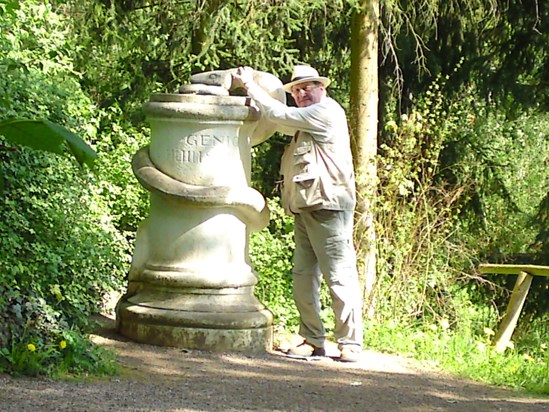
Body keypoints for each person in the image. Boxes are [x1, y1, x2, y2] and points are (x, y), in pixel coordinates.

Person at [232, 65, 363, 362]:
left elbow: (280, 115)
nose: (302, 93)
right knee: (303, 276)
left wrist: (249, 84)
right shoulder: (305, 121)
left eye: (308, 87)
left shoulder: (325, 113)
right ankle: (312, 339)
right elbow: (277, 119)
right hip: (306, 207)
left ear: (322, 88)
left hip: (329, 206)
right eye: (297, 90)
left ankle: (350, 343)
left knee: (339, 276)